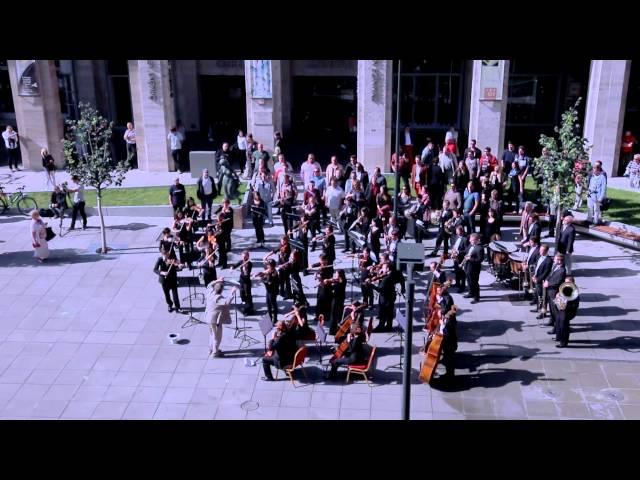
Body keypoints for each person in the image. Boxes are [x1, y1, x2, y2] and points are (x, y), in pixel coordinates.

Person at [204, 281, 237, 358]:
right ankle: (215, 352)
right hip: (215, 320)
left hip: (208, 318)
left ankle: (211, 349)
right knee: (217, 336)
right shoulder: (218, 298)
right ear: (222, 290)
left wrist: (218, 280)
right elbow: (227, 302)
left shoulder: (210, 293)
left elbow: (209, 285)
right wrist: (232, 292)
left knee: (212, 334)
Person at [552, 276, 579, 348]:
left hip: (569, 311)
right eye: (565, 282)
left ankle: (563, 342)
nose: (566, 284)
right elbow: (559, 299)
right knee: (557, 320)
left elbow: (575, 305)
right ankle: (559, 337)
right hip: (562, 309)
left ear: (572, 283)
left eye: (567, 282)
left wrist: (565, 306)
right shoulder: (564, 289)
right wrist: (557, 296)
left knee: (563, 324)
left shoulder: (574, 291)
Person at [154, 248, 183, 313]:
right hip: (164, 280)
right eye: (165, 255)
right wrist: (162, 272)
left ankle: (177, 307)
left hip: (173, 279)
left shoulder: (173, 259)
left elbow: (177, 267)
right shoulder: (160, 260)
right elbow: (155, 269)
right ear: (162, 254)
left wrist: (180, 266)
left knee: (175, 294)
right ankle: (170, 304)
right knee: (167, 294)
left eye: (167, 254)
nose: (167, 257)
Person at [541, 253, 567, 326]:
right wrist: (546, 280)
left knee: (555, 310)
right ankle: (551, 321)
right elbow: (550, 275)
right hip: (550, 291)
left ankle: (556, 326)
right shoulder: (555, 266)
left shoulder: (562, 270)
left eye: (557, 260)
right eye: (555, 259)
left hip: (555, 292)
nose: (555, 261)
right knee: (551, 309)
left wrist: (548, 284)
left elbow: (557, 282)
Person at [530, 243, 552, 311]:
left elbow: (546, 272)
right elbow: (536, 266)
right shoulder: (539, 256)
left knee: (542, 296)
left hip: (541, 281)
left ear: (546, 251)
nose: (540, 251)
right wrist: (533, 275)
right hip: (536, 278)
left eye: (542, 250)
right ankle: (538, 308)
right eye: (540, 250)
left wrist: (538, 279)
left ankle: (543, 310)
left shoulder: (549, 260)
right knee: (537, 295)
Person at [463, 233, 484, 304]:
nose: (469, 241)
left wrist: (470, 258)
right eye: (470, 239)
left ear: (476, 240)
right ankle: (470, 293)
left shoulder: (480, 248)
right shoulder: (471, 245)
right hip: (467, 266)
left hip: (474, 268)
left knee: (474, 283)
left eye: (471, 240)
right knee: (469, 281)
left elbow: (480, 260)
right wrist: (458, 253)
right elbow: (465, 251)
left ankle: (476, 297)